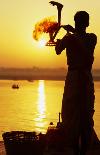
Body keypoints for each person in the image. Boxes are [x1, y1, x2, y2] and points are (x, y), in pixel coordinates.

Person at [55, 11, 98, 155]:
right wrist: (62, 39)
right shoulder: (71, 38)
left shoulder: (91, 38)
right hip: (74, 77)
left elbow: (86, 53)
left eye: (79, 21)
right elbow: (57, 49)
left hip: (83, 78)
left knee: (85, 114)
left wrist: (70, 35)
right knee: (70, 113)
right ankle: (75, 148)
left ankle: (83, 149)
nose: (78, 24)